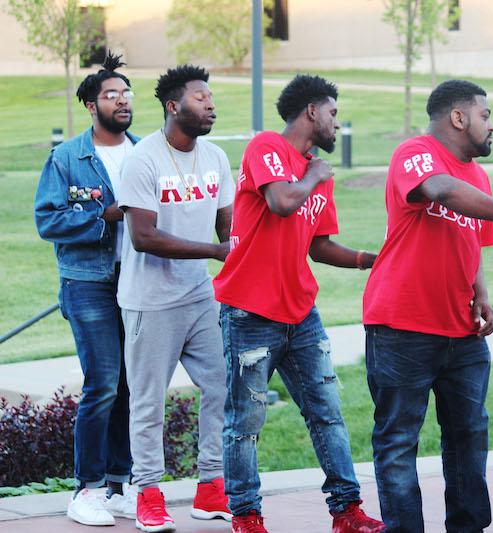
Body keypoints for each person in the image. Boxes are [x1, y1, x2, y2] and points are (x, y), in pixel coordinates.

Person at [213, 74, 385, 533]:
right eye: (332, 113)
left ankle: (346, 512)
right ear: (312, 111)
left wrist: (374, 259)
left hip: (301, 314)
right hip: (249, 311)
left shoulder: (314, 171)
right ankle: (246, 515)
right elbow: (282, 201)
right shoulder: (267, 147)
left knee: (326, 412)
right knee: (245, 421)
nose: (336, 123)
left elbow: (320, 247)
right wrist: (313, 175)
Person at [362, 79, 493, 532]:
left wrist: (482, 295)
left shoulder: (478, 175)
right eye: (485, 115)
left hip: (462, 333)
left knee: (469, 436)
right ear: (459, 117)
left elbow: (472, 240)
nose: (491, 125)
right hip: (401, 327)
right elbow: (442, 191)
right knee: (398, 441)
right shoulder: (415, 152)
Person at [116, 64, 234, 532]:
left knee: (222, 387)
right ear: (173, 106)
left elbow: (230, 229)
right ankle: (147, 492)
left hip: (200, 297)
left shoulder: (216, 158)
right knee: (148, 402)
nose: (211, 105)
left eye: (211, 98)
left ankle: (210, 487)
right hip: (150, 301)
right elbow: (143, 236)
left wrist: (237, 255)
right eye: (201, 98)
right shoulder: (144, 158)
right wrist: (216, 251)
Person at [34, 53, 136, 527]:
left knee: (129, 386)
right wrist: (102, 218)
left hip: (137, 285)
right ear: (92, 105)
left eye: (126, 93)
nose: (122, 101)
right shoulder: (67, 157)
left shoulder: (144, 151)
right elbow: (47, 219)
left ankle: (120, 484)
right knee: (101, 385)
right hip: (88, 285)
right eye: (111, 95)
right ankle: (87, 490)